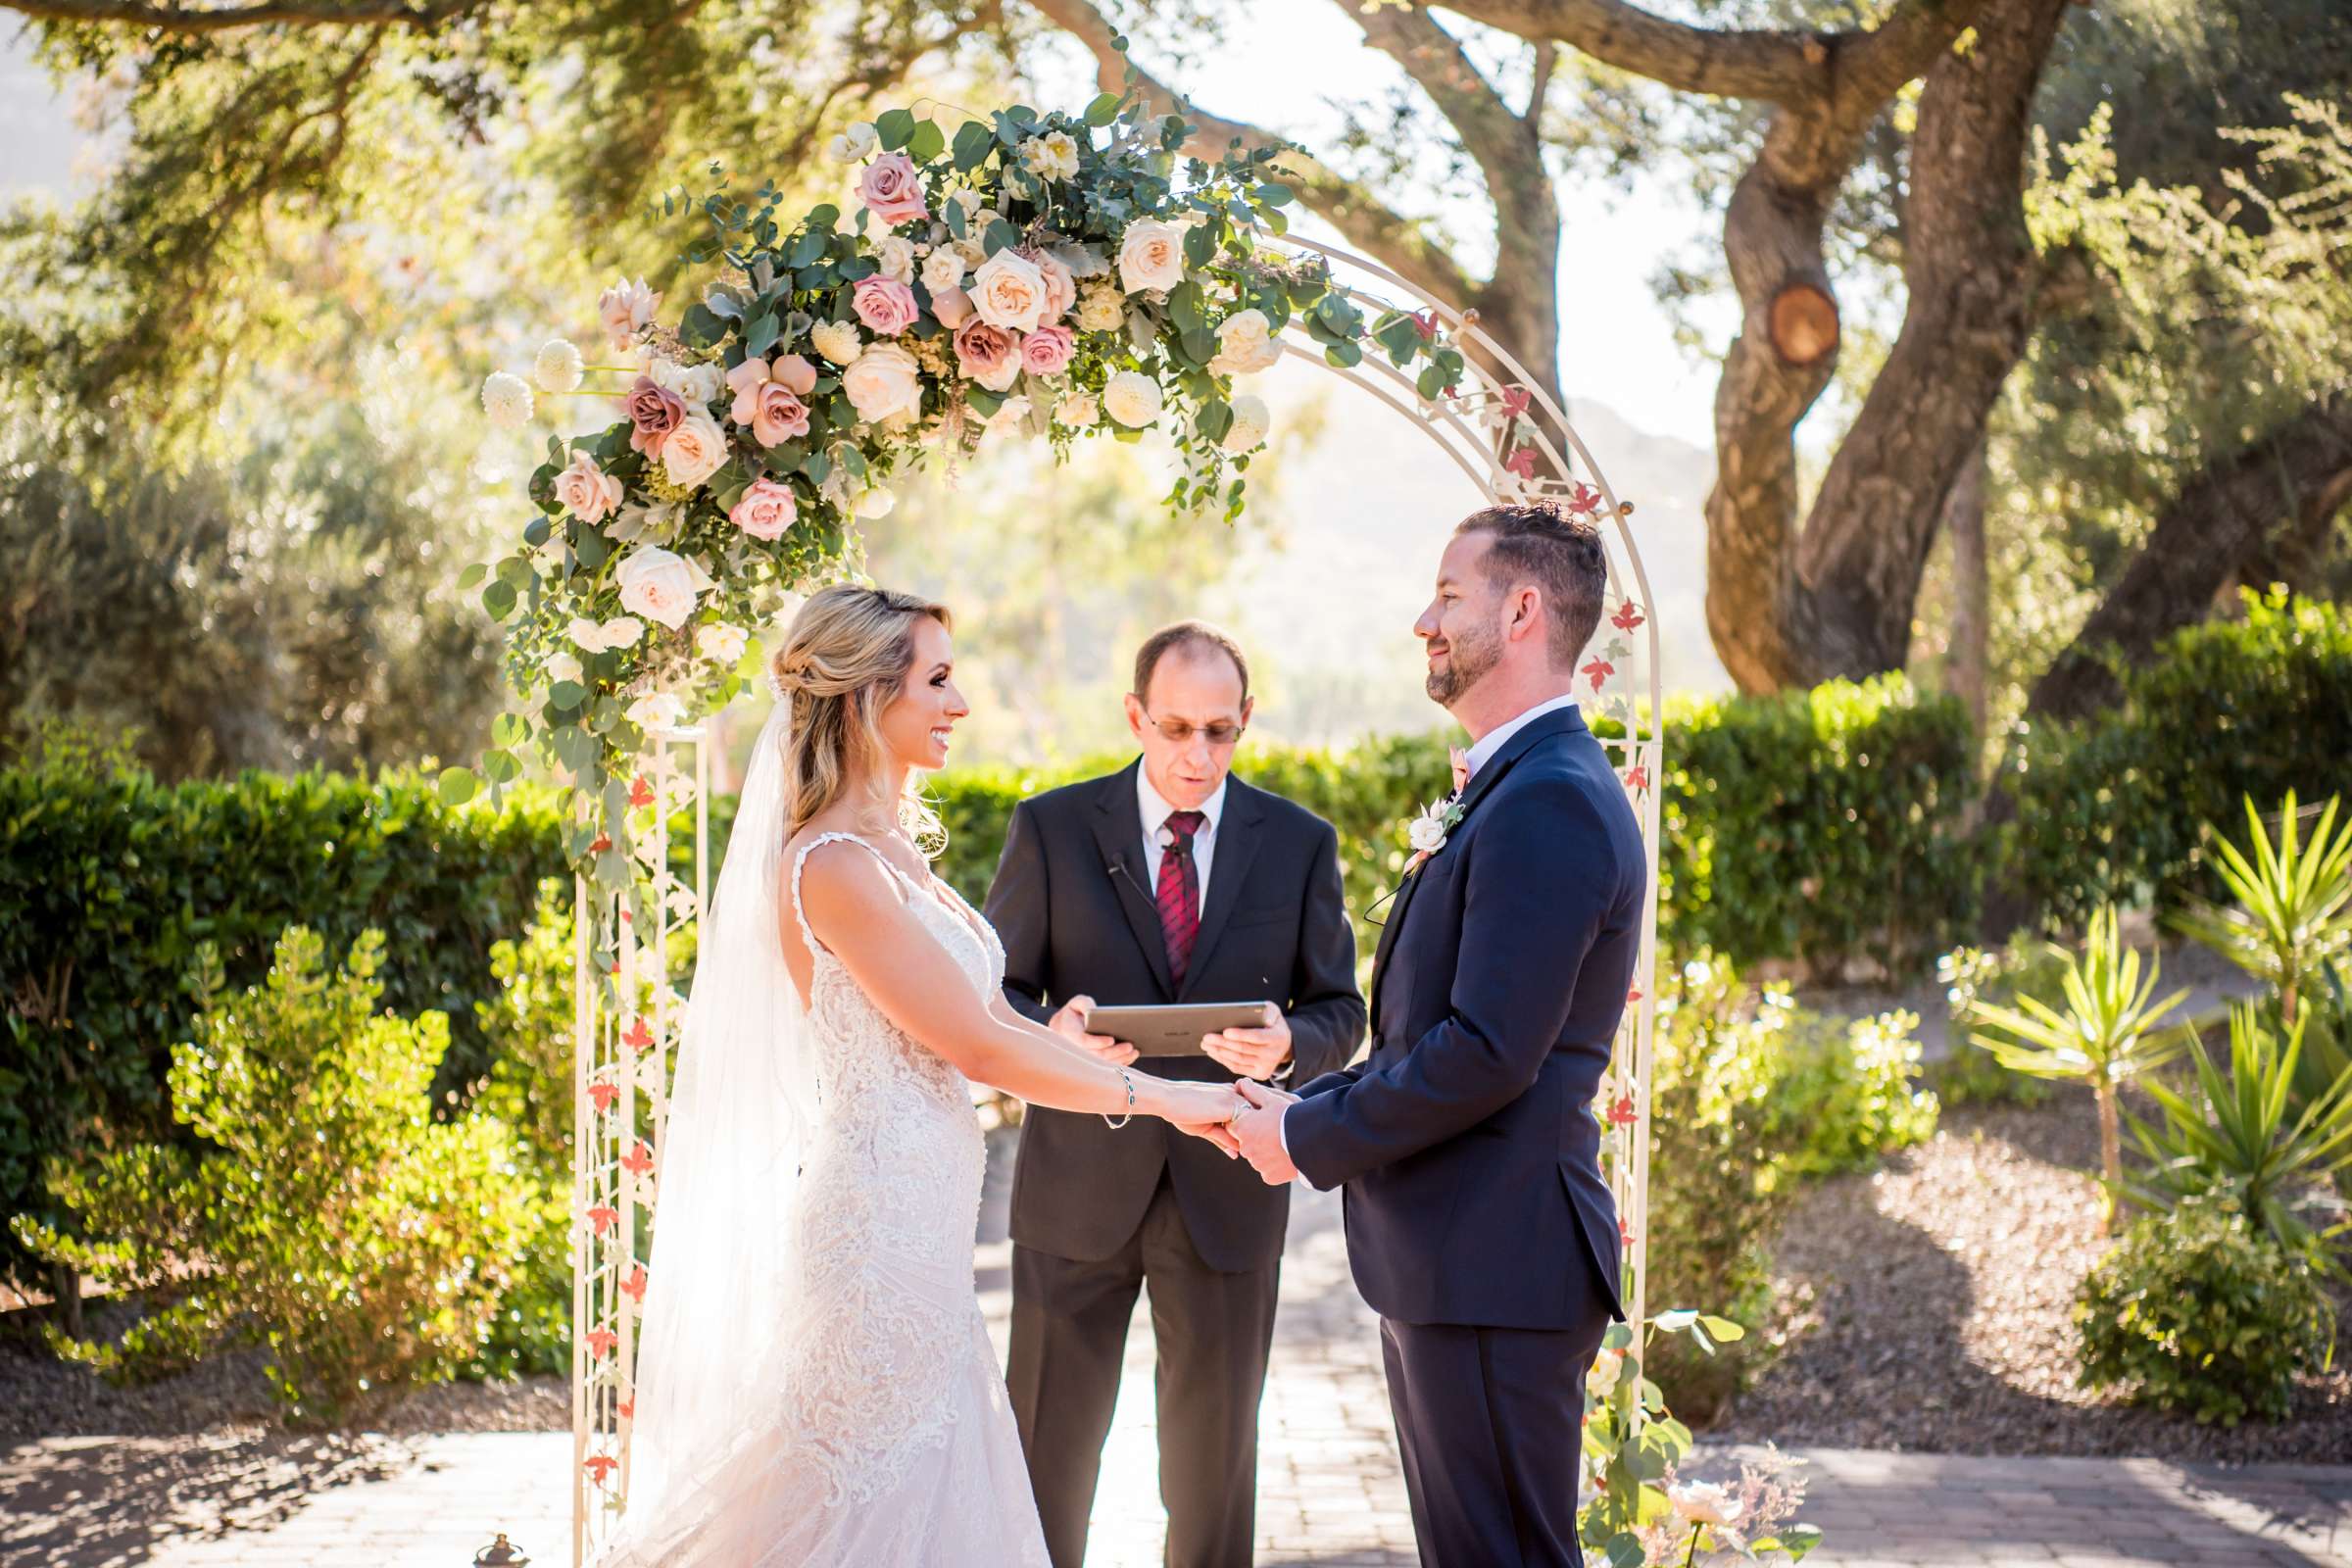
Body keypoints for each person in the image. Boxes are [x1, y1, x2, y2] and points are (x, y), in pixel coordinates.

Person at [596, 586, 1244, 1568]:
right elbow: (978, 1051)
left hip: (922, 1235)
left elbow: (977, 1019)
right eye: (938, 679)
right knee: (856, 1503)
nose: (961, 703)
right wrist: (1170, 1098)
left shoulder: (896, 851)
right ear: (864, 698)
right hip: (874, 1241)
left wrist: (1061, 1036)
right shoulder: (835, 867)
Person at [1228, 503, 1647, 1568]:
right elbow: (1433, 1035)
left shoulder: (1548, 798)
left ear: (1521, 609)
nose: (1425, 616)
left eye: (1449, 593)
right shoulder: (1512, 786)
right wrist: (1298, 1107)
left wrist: (1306, 1140)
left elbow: (1487, 1054)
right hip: (1463, 1262)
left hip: (1498, 1266)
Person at [983, 621, 1366, 1568]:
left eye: (1221, 732)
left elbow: (1339, 1011)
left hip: (1229, 1191)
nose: (1198, 754)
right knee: (1045, 1459)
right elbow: (992, 995)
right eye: (1177, 727)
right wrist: (1053, 1034)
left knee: (1212, 1481)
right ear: (1134, 717)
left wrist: (1289, 1045)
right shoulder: (1052, 827)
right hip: (1076, 1189)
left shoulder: (1300, 843)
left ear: (1246, 723)